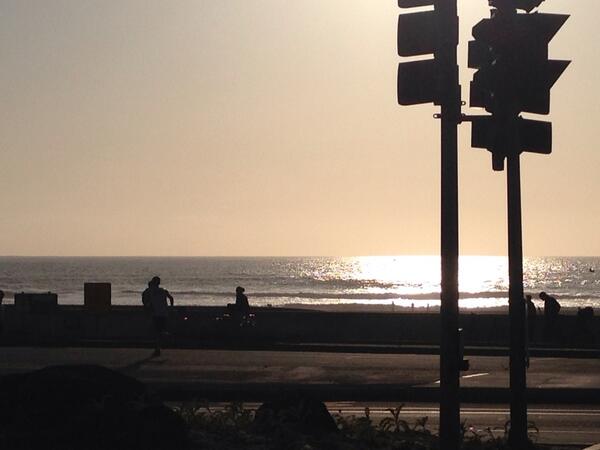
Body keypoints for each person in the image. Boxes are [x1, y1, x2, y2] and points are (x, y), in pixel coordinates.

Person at [142, 276, 174, 357]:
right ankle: (163, 338)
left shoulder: (149, 291)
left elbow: (144, 297)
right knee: (160, 330)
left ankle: (158, 347)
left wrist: (146, 306)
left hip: (156, 313)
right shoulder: (163, 290)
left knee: (156, 331)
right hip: (164, 313)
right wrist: (171, 308)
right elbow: (171, 298)